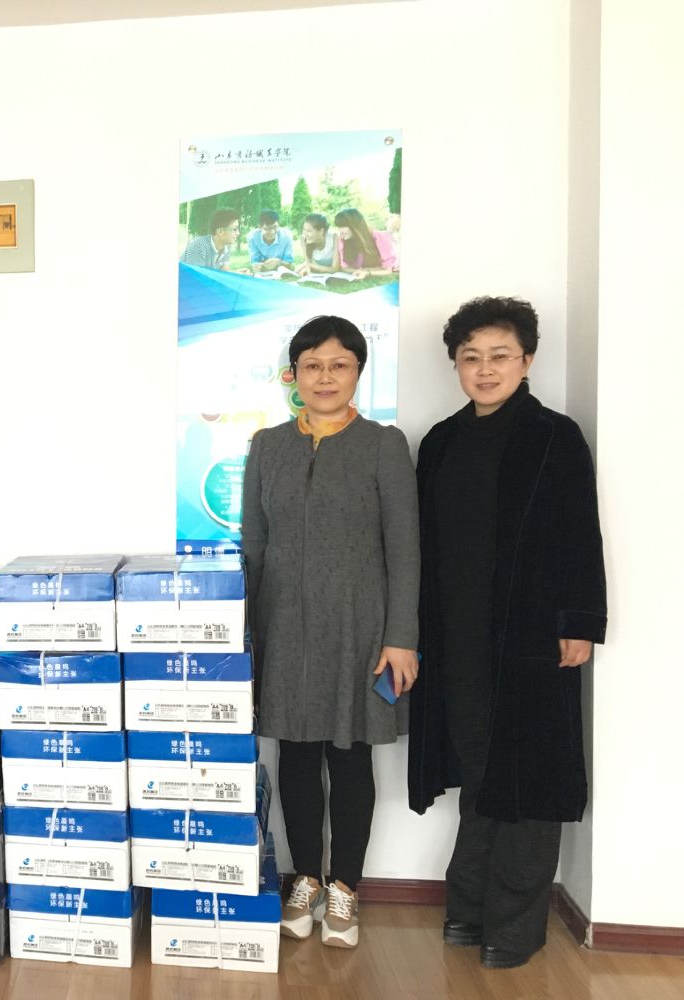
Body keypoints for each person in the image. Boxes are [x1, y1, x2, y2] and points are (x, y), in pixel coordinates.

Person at [410, 296, 605, 971]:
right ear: (456, 366)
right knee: (478, 768)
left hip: (532, 637)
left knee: (530, 778)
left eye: (500, 355)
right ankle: (468, 909)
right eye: (471, 357)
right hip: (457, 637)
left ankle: (515, 925)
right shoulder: (440, 442)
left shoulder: (554, 436)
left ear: (527, 360)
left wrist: (581, 622)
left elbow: (581, 533)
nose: (485, 369)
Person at [241, 315, 419, 950]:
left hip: (359, 628)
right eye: (312, 365)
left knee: (349, 756)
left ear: (357, 373)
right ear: (293, 375)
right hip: (283, 625)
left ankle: (345, 886)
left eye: (338, 365)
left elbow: (405, 549)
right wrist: (243, 636)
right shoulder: (267, 446)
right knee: (294, 755)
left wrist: (401, 637)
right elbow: (254, 545)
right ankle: (306, 881)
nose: (324, 377)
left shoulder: (383, 445)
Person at [331, 208, 397, 280]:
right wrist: (362, 271)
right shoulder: (343, 241)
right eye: (338, 227)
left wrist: (367, 273)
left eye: (342, 227)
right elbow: (345, 268)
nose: (340, 231)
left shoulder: (379, 237)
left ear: (355, 225)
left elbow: (388, 270)